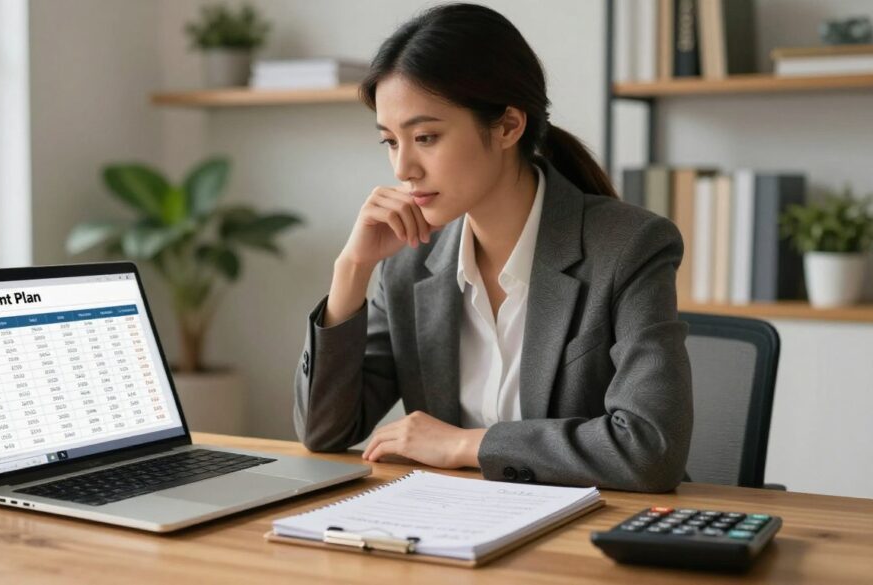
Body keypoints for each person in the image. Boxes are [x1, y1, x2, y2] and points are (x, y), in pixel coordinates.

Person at [292, 3, 692, 492]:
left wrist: (467, 445)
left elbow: (649, 450)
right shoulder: (408, 260)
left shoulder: (628, 246)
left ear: (507, 126)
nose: (403, 169)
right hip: (459, 532)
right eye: (390, 142)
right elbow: (324, 432)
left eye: (425, 136)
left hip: (588, 536)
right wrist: (351, 270)